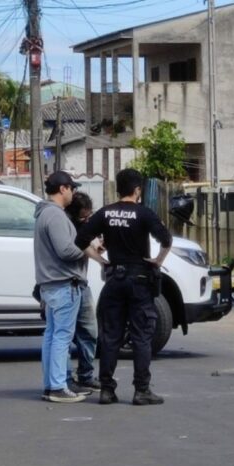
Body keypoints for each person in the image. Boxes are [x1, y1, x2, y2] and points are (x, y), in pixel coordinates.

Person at [75, 168, 172, 406]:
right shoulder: (144, 213)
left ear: (118, 188)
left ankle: (107, 390)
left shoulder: (105, 213)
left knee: (110, 337)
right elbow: (166, 240)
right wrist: (157, 261)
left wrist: (102, 261)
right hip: (139, 281)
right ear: (137, 190)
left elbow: (80, 240)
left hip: (114, 280)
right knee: (141, 336)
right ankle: (142, 390)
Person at [34, 171, 98, 403]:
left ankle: (52, 384)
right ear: (62, 189)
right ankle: (58, 387)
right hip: (64, 285)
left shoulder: (45, 213)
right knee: (61, 337)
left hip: (52, 285)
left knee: (52, 336)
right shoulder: (56, 215)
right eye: (71, 188)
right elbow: (65, 251)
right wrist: (88, 249)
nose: (72, 193)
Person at [64, 191, 99, 392]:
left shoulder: (84, 227)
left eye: (89, 216)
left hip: (81, 283)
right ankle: (66, 378)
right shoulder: (67, 227)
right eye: (83, 217)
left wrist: (97, 250)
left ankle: (86, 374)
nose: (87, 220)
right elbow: (75, 250)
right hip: (66, 284)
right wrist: (98, 258)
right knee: (65, 336)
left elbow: (88, 247)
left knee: (90, 330)